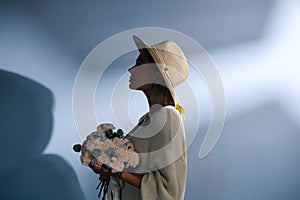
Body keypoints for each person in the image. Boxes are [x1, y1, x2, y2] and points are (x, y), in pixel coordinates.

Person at [90, 35, 189, 200]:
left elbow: (169, 189)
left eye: (140, 64)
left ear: (158, 75)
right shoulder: (147, 118)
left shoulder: (169, 118)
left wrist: (117, 170)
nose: (131, 69)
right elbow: (141, 170)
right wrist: (108, 170)